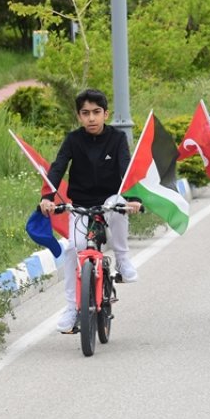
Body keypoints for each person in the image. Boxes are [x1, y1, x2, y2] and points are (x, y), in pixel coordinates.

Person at [40, 88, 143, 334]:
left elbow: (125, 168)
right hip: (81, 204)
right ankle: (72, 307)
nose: (91, 118)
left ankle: (122, 257)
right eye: (85, 113)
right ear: (79, 116)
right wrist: (47, 197)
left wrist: (133, 198)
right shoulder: (73, 140)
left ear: (105, 113)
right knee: (73, 249)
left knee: (118, 203)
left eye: (97, 112)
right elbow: (57, 168)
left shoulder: (117, 139)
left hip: (109, 201)